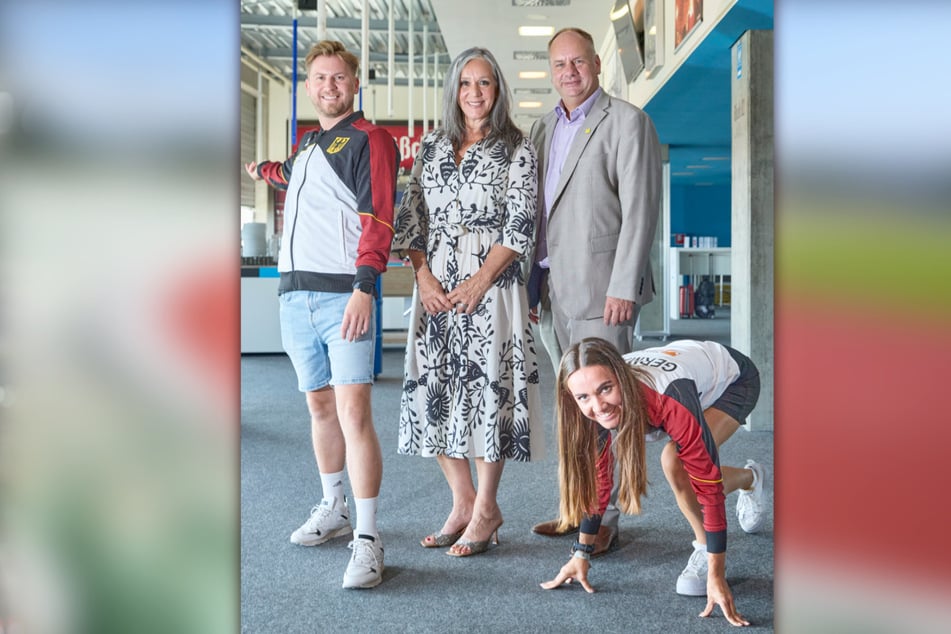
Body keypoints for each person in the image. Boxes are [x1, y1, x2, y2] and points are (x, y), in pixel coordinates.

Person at [244, 40, 398, 589]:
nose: (329, 86)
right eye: (319, 78)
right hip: (294, 297)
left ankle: (369, 536)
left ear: (354, 84)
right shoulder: (309, 145)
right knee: (318, 407)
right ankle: (335, 509)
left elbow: (378, 215)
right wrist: (255, 167)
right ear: (307, 87)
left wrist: (365, 285)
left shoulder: (369, 139)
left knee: (355, 412)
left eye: (339, 77)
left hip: (343, 296)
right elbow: (284, 174)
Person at [392, 47, 542, 557]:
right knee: (432, 389)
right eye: (465, 83)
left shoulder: (517, 148)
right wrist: (423, 275)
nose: (474, 93)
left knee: (485, 394)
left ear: (498, 90)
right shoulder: (431, 147)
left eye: (484, 83)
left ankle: (487, 508)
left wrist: (479, 281)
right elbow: (412, 219)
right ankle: (463, 502)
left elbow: (520, 225)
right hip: (435, 287)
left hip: (492, 284)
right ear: (453, 90)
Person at [527, 26, 663, 550]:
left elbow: (640, 211)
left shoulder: (628, 122)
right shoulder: (540, 129)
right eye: (560, 64)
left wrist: (624, 284)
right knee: (571, 408)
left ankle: (604, 520)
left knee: (607, 409)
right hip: (554, 292)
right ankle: (577, 506)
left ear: (597, 65)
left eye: (578, 62)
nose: (569, 72)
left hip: (605, 292)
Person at [539, 338, 769, 626]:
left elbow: (708, 485)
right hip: (687, 374)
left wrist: (716, 573)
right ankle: (750, 477)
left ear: (620, 377)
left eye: (605, 389)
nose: (597, 405)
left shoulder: (668, 398)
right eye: (583, 397)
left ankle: (702, 547)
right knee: (678, 459)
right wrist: (581, 553)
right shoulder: (587, 406)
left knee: (675, 461)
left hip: (732, 383)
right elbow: (598, 481)